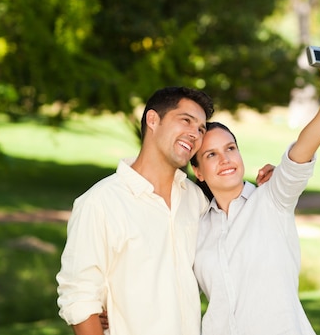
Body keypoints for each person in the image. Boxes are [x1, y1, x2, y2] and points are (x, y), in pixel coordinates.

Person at [56, 86, 273, 335]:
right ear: (153, 119)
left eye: (201, 129)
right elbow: (78, 298)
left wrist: (269, 187)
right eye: (186, 121)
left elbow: (237, 234)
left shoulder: (196, 200)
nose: (194, 134)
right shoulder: (101, 203)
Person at [189, 51, 320, 335]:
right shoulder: (196, 225)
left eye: (230, 148)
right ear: (198, 171)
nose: (225, 159)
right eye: (211, 155)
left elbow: (300, 153)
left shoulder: (272, 199)